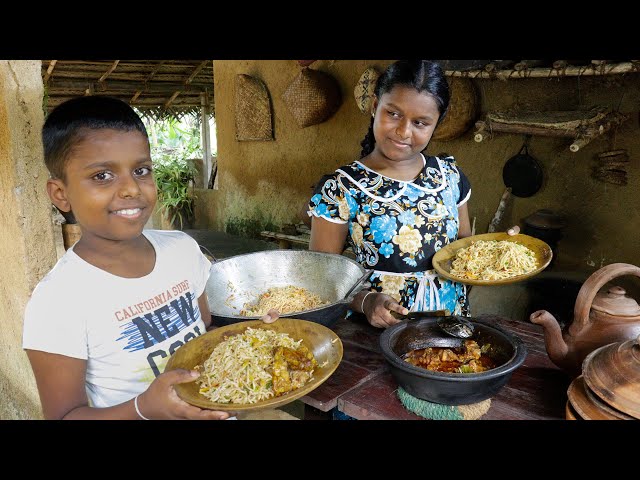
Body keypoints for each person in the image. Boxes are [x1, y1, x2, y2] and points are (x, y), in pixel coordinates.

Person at [22, 96, 278, 420]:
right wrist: (143, 408)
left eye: (141, 170)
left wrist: (248, 335)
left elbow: (204, 329)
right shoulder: (57, 300)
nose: (131, 188)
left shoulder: (182, 249)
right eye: (102, 176)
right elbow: (63, 416)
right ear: (61, 194)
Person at [307, 60, 515, 329]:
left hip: (451, 326)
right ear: (374, 106)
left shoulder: (449, 177)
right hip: (377, 334)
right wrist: (366, 301)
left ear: (436, 123)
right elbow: (322, 279)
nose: (404, 131)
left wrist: (501, 249)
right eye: (393, 114)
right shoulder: (342, 188)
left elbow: (464, 251)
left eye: (420, 122)